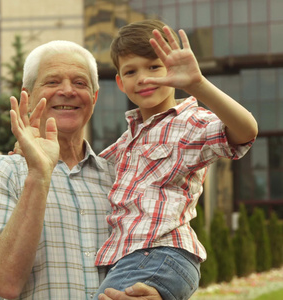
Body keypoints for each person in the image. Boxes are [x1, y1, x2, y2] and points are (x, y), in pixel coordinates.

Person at [0, 40, 162, 299]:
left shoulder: (123, 175)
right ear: (28, 93)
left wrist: (160, 294)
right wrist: (38, 175)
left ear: (94, 97)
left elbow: (165, 254)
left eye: (80, 83)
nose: (68, 91)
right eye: (52, 82)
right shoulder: (1, 172)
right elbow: (4, 284)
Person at [93, 20, 258, 300]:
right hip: (134, 259)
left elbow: (246, 131)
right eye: (131, 71)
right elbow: (84, 167)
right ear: (120, 82)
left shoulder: (188, 123)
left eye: (154, 66)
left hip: (160, 253)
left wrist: (198, 85)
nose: (143, 78)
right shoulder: (124, 143)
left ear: (173, 70)